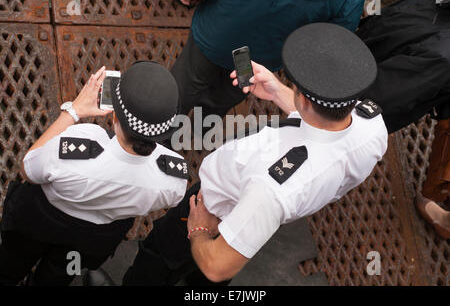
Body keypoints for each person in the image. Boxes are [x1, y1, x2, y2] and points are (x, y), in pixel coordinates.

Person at [87, 23, 387, 285]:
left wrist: (199, 230)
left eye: (295, 86)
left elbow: (217, 265)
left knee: (161, 257)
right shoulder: (372, 125)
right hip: (245, 213)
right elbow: (324, 127)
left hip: (214, 209)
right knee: (202, 279)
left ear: (307, 102)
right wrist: (279, 91)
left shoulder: (272, 188)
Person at [0, 61, 188, 286]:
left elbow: (29, 169)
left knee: (11, 265)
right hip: (92, 241)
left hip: (38, 222)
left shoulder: (81, 142)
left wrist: (73, 111)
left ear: (115, 117)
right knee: (58, 275)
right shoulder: (174, 177)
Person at [168, 0, 371, 121]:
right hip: (256, 58)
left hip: (218, 33)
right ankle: (201, 128)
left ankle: (160, 132)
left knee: (186, 83)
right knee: (229, 93)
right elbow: (333, 39)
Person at [356, 0, 450, 239]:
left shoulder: (440, 57)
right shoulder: (441, 0)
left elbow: (377, 98)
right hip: (376, 47)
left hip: (356, 105)